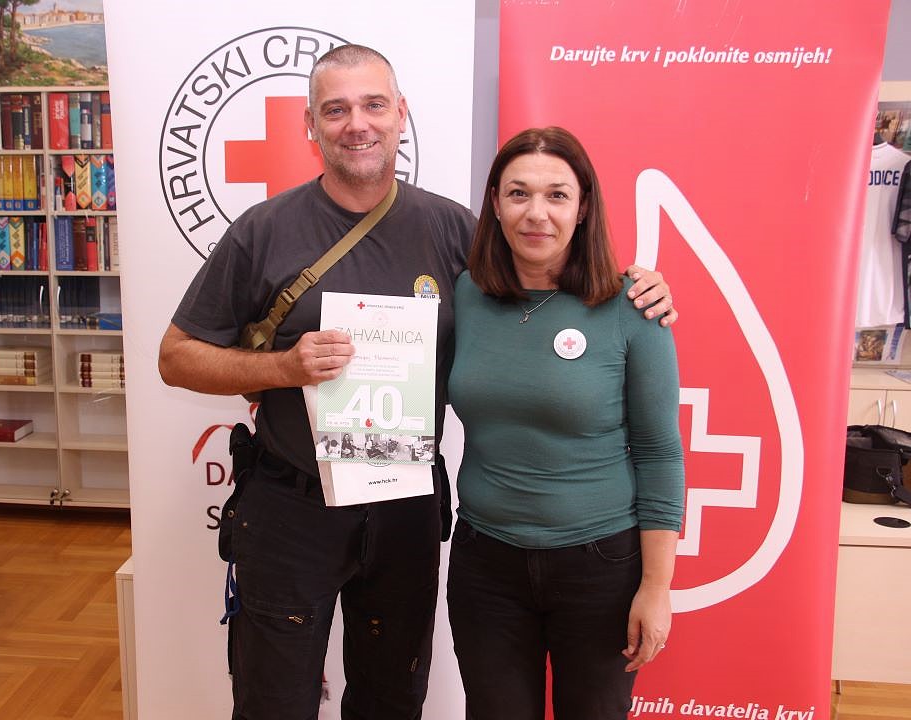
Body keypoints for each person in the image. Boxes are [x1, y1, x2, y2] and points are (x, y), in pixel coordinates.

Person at [157, 45, 676, 720]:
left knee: (392, 700)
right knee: (274, 704)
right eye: (335, 110)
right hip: (293, 507)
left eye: (374, 105)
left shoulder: (454, 230)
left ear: (401, 114)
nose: (357, 124)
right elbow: (176, 358)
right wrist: (281, 368)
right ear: (309, 125)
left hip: (404, 507)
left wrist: (639, 284)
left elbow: (544, 268)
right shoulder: (265, 230)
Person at [446, 127, 685, 720]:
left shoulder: (633, 306)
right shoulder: (468, 293)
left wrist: (656, 588)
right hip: (485, 564)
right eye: (518, 193)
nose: (537, 213)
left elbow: (659, 453)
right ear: (495, 202)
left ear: (582, 209)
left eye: (557, 195)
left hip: (599, 568)